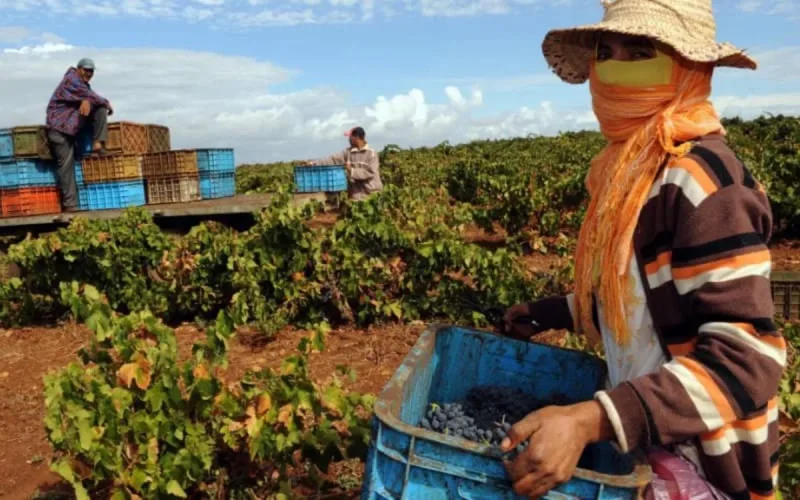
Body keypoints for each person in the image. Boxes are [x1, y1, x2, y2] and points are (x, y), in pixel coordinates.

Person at [500, 1, 784, 499]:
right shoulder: (632, 172)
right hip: (652, 446)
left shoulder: (701, 183)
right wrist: (551, 313)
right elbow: (642, 294)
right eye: (606, 54)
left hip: (705, 465)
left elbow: (745, 360)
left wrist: (593, 419)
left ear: (689, 69)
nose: (614, 72)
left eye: (641, 53)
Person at [46, 57, 113, 211]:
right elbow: (94, 97)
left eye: (91, 71)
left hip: (71, 129)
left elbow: (90, 97)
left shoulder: (82, 86)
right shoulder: (72, 80)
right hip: (59, 130)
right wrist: (101, 101)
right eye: (86, 70)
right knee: (66, 166)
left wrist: (87, 100)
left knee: (100, 109)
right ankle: (71, 206)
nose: (89, 74)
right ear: (78, 69)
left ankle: (98, 142)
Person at [306, 126, 383, 201]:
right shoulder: (348, 152)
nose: (349, 139)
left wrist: (352, 171)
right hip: (355, 195)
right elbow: (332, 159)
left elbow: (371, 172)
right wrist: (313, 163)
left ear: (357, 137)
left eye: (350, 137)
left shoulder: (372, 154)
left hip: (372, 194)